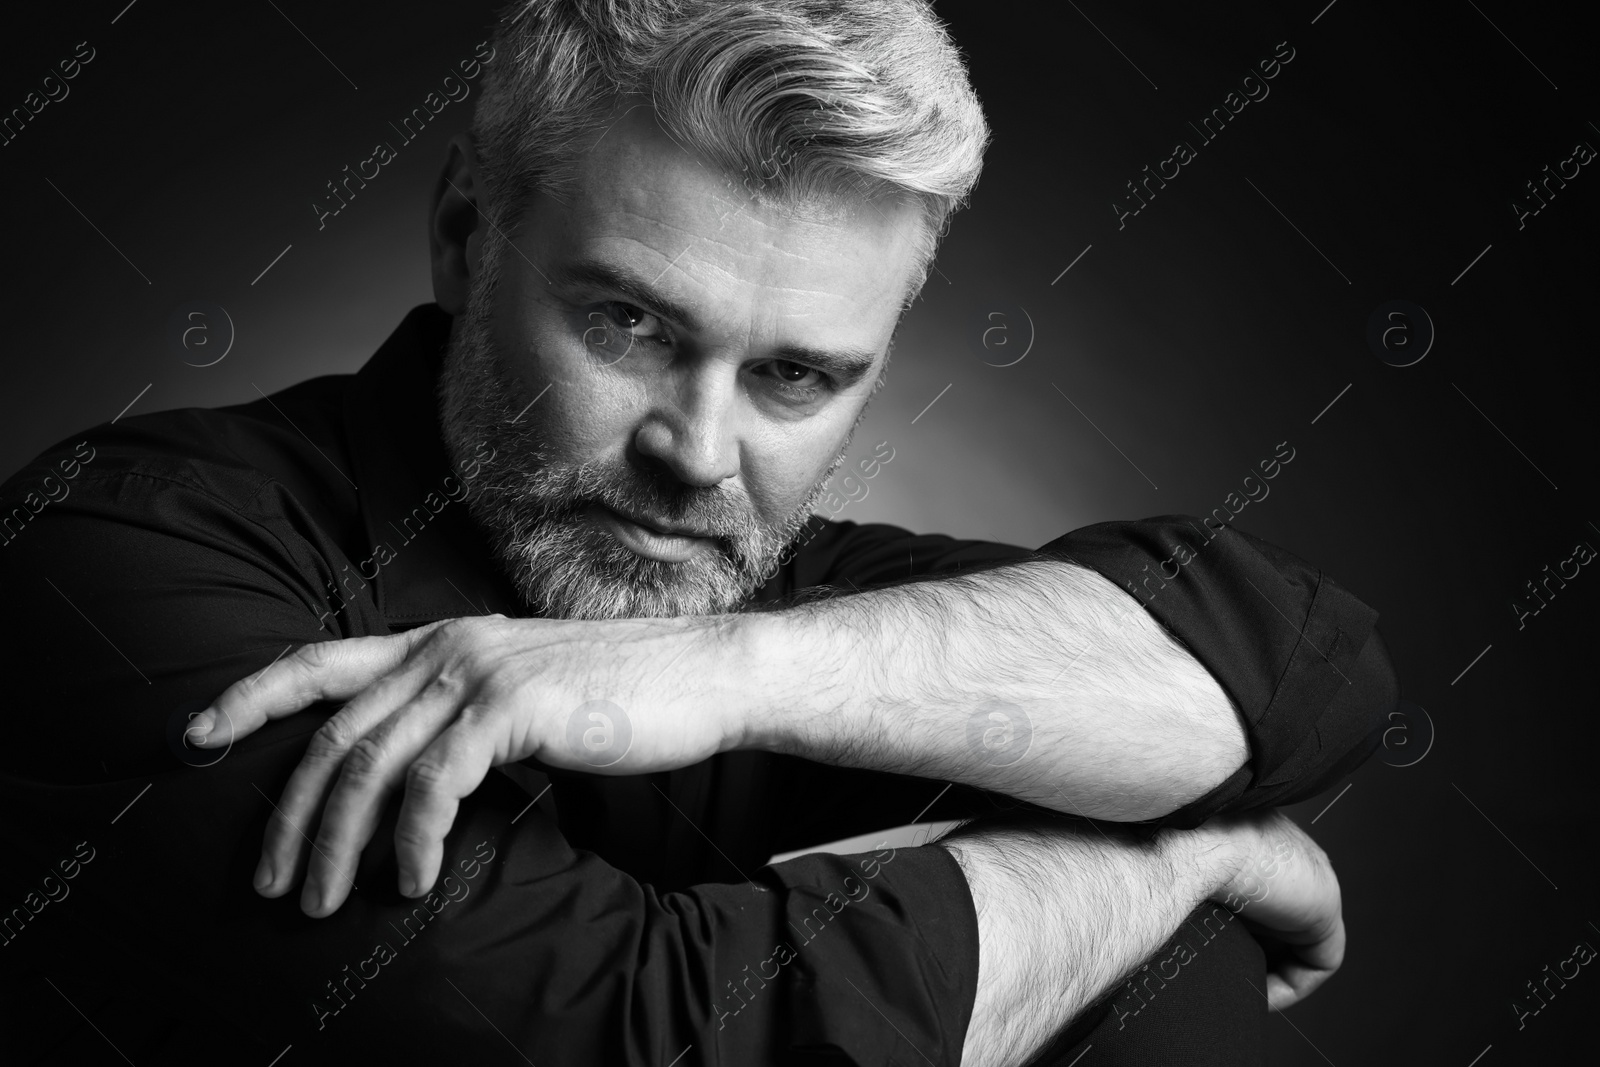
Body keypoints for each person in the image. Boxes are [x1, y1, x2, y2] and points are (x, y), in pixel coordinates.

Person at [0, 2, 1395, 1063]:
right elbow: (645, 1033)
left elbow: (1290, 666)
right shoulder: (122, 557)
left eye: (796, 378)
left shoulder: (770, 606)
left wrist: (721, 672)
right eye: (629, 324)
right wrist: (1177, 860)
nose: (699, 457)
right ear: (465, 233)